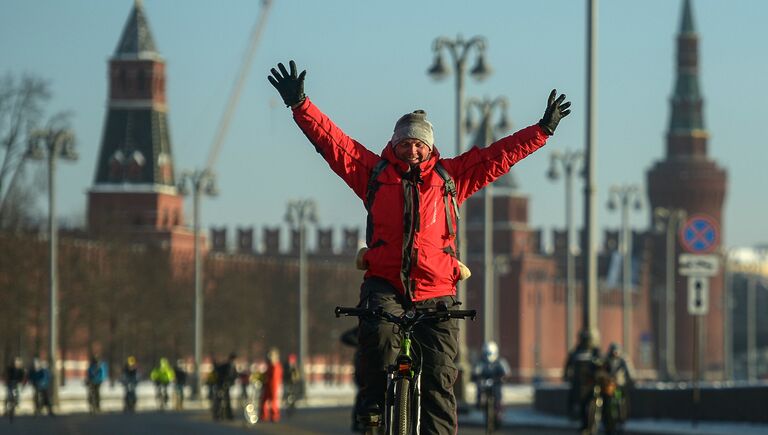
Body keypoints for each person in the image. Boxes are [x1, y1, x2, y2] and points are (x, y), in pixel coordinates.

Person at [268, 60, 570, 434]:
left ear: (429, 148)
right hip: (385, 283)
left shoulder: (450, 178)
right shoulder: (374, 174)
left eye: (419, 144)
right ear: (395, 144)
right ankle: (373, 406)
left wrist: (541, 131)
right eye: (406, 143)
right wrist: (301, 106)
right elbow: (335, 145)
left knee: (441, 376)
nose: (412, 150)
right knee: (376, 339)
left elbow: (497, 156)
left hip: (437, 290)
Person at [563, 331, 602, 432]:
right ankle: (581, 422)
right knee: (578, 404)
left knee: (593, 403)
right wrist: (566, 375)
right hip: (579, 384)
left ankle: (597, 421)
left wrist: (600, 374)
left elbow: (601, 364)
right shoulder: (576, 351)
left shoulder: (594, 351)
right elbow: (568, 365)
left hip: (591, 383)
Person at [471, 341, 510, 427]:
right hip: (485, 384)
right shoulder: (481, 362)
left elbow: (506, 373)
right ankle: (479, 402)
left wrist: (503, 378)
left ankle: (498, 410)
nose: (488, 356)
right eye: (486, 353)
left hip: (496, 383)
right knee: (479, 388)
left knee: (498, 393)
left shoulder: (500, 362)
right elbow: (476, 372)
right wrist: (476, 377)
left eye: (490, 353)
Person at [340, 326, 364, 433]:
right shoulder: (365, 325)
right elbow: (345, 337)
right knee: (363, 392)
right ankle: (357, 421)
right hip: (363, 365)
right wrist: (361, 343)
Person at [603, 343, 634, 423]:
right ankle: (608, 416)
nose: (615, 354)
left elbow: (629, 372)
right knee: (607, 400)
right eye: (613, 352)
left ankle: (620, 416)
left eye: (616, 352)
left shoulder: (623, 360)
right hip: (609, 386)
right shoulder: (606, 359)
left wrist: (630, 380)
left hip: (618, 386)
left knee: (618, 398)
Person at [259, 347, 283, 422]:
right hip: (268, 385)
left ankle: (274, 416)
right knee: (264, 400)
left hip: (274, 385)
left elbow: (275, 378)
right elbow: (267, 375)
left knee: (273, 401)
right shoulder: (270, 366)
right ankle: (264, 416)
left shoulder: (276, 366)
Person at [213, 352, 238, 420]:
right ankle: (218, 415)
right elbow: (219, 372)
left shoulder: (231, 366)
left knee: (226, 400)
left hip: (226, 385)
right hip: (221, 385)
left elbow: (234, 375)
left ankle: (227, 415)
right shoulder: (227, 365)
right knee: (220, 400)